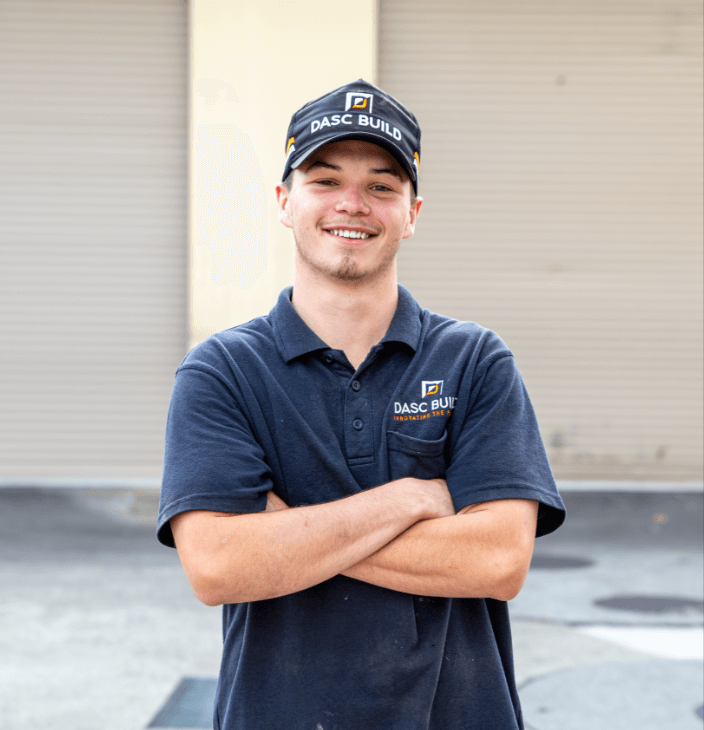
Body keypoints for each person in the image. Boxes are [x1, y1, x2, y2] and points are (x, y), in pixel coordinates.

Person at [157, 79, 565, 730]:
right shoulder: (223, 371)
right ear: (285, 201)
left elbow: (498, 561)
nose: (353, 203)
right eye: (325, 181)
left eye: (381, 186)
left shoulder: (474, 360)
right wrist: (409, 500)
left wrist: (284, 535)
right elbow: (218, 565)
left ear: (412, 212)